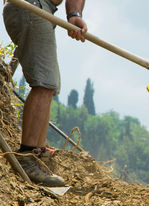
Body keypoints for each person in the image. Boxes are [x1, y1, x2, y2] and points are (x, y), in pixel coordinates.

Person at [3, 0, 87, 187]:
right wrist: (74, 15)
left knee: (49, 86)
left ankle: (38, 154)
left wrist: (75, 15)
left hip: (40, 8)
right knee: (44, 83)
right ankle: (27, 156)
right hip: (32, 6)